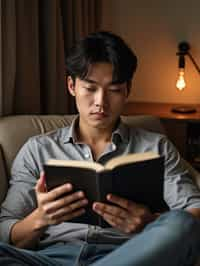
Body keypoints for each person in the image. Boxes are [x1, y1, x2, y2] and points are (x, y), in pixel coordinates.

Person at [0, 31, 200, 266]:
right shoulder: (37, 149)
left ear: (127, 90)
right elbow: (7, 230)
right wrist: (41, 218)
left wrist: (150, 223)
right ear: (72, 86)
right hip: (51, 258)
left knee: (182, 223)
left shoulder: (156, 147)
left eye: (114, 90)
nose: (100, 102)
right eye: (90, 88)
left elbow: (193, 214)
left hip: (129, 256)